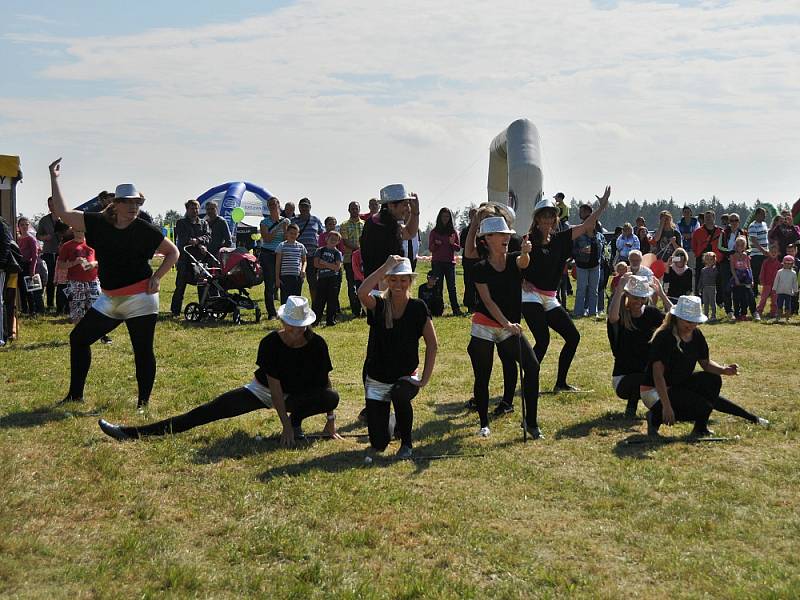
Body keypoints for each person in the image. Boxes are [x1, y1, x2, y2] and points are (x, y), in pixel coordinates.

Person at [98, 296, 342, 445]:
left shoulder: (318, 344)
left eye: (300, 326)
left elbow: (324, 382)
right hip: (264, 391)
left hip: (298, 395)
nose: (295, 330)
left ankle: (296, 420)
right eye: (290, 325)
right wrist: (284, 428)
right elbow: (275, 388)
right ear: (282, 321)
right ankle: (132, 433)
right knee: (208, 411)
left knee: (331, 397)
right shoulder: (270, 343)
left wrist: (330, 421)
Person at [48, 159, 179, 410]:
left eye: (137, 203)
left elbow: (173, 252)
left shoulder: (145, 229)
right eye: (128, 202)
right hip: (109, 299)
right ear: (115, 204)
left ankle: (143, 404)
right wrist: (55, 179)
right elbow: (64, 214)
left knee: (142, 350)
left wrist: (156, 277)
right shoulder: (97, 223)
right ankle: (75, 396)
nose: (133, 207)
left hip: (141, 298)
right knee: (78, 339)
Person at [521, 188, 610, 393]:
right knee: (543, 340)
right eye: (544, 216)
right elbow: (516, 262)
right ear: (537, 219)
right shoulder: (528, 239)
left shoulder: (561, 239)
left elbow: (588, 224)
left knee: (573, 337)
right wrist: (520, 282)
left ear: (555, 219)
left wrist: (602, 206)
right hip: (531, 295)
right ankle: (528, 383)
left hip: (550, 297)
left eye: (551, 216)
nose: (548, 220)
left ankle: (560, 383)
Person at [642, 295, 769, 437]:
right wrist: (666, 406)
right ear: (676, 317)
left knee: (713, 380)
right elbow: (657, 375)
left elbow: (706, 364)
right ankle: (655, 416)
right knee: (702, 406)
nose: (690, 325)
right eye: (687, 320)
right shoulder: (664, 337)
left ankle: (700, 427)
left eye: (694, 321)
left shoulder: (696, 335)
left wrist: (723, 370)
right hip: (654, 391)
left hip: (678, 385)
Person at [465, 215, 539, 437]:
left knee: (532, 366)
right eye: (500, 234)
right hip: (485, 325)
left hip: (509, 326)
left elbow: (523, 263)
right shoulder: (479, 267)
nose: (506, 237)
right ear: (486, 238)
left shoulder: (515, 258)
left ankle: (531, 422)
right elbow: (487, 302)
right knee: (483, 375)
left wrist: (526, 252)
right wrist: (506, 323)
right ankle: (484, 423)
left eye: (507, 234)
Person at [357, 256, 437, 459]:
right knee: (379, 443)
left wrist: (423, 380)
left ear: (410, 281)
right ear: (387, 281)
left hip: (405, 377)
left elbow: (432, 345)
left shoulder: (418, 307)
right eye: (393, 279)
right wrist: (385, 266)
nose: (398, 284)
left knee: (400, 394)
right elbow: (362, 292)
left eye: (403, 280)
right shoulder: (379, 305)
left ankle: (407, 443)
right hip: (377, 378)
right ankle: (393, 420)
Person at [607, 274, 670, 417]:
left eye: (642, 298)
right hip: (624, 379)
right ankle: (631, 408)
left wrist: (661, 294)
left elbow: (676, 319)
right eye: (635, 297)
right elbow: (612, 317)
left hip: (647, 375)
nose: (639, 301)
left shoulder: (651, 313)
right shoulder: (621, 315)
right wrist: (620, 288)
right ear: (628, 295)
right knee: (645, 378)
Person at [359, 184, 420, 283]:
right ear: (391, 205)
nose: (408, 209)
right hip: (379, 285)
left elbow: (410, 233)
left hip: (387, 283)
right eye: (404, 205)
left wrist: (415, 212)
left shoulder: (389, 222)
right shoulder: (377, 225)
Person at [170, 199, 211, 317]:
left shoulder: (204, 223)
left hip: (200, 260)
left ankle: (203, 310)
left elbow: (208, 237)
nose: (195, 211)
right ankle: (175, 311)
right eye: (192, 208)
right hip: (185, 259)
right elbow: (183, 238)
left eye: (197, 208)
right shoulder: (181, 223)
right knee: (180, 287)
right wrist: (197, 242)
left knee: (203, 286)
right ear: (187, 210)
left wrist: (198, 241)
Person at [57, 229, 104, 328]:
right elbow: (60, 265)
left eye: (81, 230)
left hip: (93, 280)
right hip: (75, 281)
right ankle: (79, 333)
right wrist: (74, 263)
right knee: (77, 309)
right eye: (77, 230)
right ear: (73, 231)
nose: (79, 233)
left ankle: (100, 333)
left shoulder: (93, 243)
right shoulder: (67, 246)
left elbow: (102, 259)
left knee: (97, 307)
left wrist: (93, 263)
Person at [259, 197, 290, 319]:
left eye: (274, 204)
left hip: (282, 253)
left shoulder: (286, 221)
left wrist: (284, 227)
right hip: (268, 255)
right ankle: (271, 313)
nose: (272, 206)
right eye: (270, 204)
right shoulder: (264, 222)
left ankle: (284, 311)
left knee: (284, 283)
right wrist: (278, 226)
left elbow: (286, 239)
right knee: (270, 284)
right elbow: (267, 239)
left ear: (278, 205)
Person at [572, 203, 604, 318]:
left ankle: (593, 312)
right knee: (581, 290)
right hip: (582, 265)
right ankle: (578, 312)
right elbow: (573, 250)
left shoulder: (599, 235)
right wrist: (581, 251)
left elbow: (602, 251)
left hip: (595, 265)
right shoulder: (578, 234)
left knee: (593, 290)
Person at [428, 207, 462, 316]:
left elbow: (458, 248)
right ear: (439, 217)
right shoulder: (434, 232)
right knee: (438, 287)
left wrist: (453, 243)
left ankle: (456, 309)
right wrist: (436, 244)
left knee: (452, 287)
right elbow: (431, 248)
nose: (445, 218)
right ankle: (438, 310)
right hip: (437, 262)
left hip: (449, 263)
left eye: (447, 216)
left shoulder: (453, 232)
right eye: (443, 216)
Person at [35, 197, 67, 313]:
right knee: (49, 280)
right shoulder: (44, 220)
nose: (51, 207)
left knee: (62, 280)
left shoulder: (65, 218)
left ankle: (62, 305)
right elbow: (38, 236)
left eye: (53, 204)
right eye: (49, 205)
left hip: (62, 253)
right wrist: (44, 237)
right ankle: (49, 304)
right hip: (48, 252)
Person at [292, 198, 324, 300]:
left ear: (310, 207)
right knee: (297, 284)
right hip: (297, 257)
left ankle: (315, 306)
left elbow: (322, 236)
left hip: (312, 257)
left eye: (306, 206)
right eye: (302, 206)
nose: (304, 208)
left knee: (313, 283)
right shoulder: (293, 221)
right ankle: (296, 307)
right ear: (299, 207)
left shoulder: (316, 220)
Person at [312, 231, 343, 326]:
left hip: (333, 279)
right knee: (319, 300)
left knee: (332, 300)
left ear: (338, 242)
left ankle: (330, 320)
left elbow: (337, 267)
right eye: (331, 238)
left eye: (335, 239)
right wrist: (331, 265)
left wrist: (324, 263)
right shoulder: (320, 250)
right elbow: (316, 264)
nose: (333, 241)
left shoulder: (337, 253)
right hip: (322, 278)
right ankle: (315, 320)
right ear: (326, 239)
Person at [718, 212, 746, 320]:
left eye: (736, 220)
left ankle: (738, 311)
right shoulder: (724, 232)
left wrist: (741, 254)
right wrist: (731, 253)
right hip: (726, 262)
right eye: (731, 220)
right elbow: (720, 247)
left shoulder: (743, 233)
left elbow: (747, 247)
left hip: (739, 264)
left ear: (739, 222)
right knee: (726, 286)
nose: (734, 223)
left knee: (738, 287)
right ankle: (729, 311)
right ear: (728, 222)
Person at [339, 202, 364, 317]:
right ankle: (355, 310)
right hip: (349, 260)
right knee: (351, 285)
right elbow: (345, 241)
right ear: (349, 210)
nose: (354, 210)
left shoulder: (364, 224)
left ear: (359, 209)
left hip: (363, 260)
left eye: (356, 208)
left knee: (364, 283)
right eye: (352, 208)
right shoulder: (344, 225)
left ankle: (365, 308)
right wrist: (359, 249)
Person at [17, 217, 46, 315]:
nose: (24, 226)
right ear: (19, 227)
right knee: (21, 289)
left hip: (29, 265)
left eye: (26, 224)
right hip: (20, 265)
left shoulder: (31, 239)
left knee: (30, 289)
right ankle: (24, 309)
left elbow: (35, 256)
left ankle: (32, 310)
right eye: (22, 225)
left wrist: (32, 270)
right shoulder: (18, 239)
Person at [692, 210, 722, 298]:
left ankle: (719, 299)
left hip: (716, 258)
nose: (708, 219)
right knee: (699, 278)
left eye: (710, 217)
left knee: (718, 279)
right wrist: (698, 254)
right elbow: (694, 245)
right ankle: (698, 298)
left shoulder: (720, 231)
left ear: (714, 218)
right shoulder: (698, 231)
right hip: (701, 258)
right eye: (706, 217)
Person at [275, 224, 307, 304]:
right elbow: (278, 263)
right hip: (284, 277)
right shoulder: (281, 246)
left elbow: (304, 261)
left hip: (297, 277)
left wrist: (303, 270)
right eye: (291, 233)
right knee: (285, 299)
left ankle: (295, 315)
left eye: (295, 233)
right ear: (287, 233)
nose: (293, 235)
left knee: (296, 300)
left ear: (298, 234)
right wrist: (277, 278)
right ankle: (285, 316)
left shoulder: (301, 246)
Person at [730, 236, 757, 321]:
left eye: (742, 245)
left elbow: (749, 268)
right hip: (737, 276)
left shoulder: (746, 256)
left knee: (746, 296)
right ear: (735, 246)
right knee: (737, 296)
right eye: (738, 245)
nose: (740, 247)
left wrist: (752, 279)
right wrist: (736, 279)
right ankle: (736, 313)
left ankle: (744, 313)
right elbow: (732, 269)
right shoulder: (733, 256)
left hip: (746, 277)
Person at [748, 207, 769, 297]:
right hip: (756, 254)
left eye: (765, 214)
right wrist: (763, 250)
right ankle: (754, 292)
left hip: (765, 253)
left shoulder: (764, 224)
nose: (764, 216)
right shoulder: (752, 226)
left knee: (765, 273)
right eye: (762, 214)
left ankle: (766, 291)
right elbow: (754, 241)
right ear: (757, 215)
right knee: (756, 274)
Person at [460, 207, 478, 312]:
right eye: (472, 215)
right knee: (468, 283)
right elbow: (462, 244)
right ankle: (470, 305)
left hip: (478, 261)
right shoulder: (466, 230)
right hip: (468, 262)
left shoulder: (481, 229)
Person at [756, 245, 780, 320]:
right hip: (767, 283)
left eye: (775, 252)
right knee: (763, 298)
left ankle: (773, 312)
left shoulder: (779, 264)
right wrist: (762, 280)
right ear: (768, 252)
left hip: (775, 284)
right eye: (772, 252)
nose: (773, 253)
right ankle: (759, 311)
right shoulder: (765, 262)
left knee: (774, 299)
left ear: (778, 253)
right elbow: (762, 271)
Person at [773, 255, 798, 323]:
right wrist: (774, 288)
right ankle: (778, 317)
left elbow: (795, 283)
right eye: (786, 263)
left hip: (788, 292)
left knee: (788, 306)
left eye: (789, 263)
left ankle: (787, 318)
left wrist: (795, 290)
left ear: (792, 264)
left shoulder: (793, 273)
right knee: (779, 305)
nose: (787, 265)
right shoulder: (780, 272)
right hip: (780, 291)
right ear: (783, 263)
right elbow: (776, 280)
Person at [677, 206, 699, 272]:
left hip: (692, 249)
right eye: (685, 212)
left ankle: (692, 282)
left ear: (691, 213)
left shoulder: (696, 222)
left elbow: (696, 234)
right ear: (683, 213)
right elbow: (678, 234)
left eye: (688, 212)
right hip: (682, 250)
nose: (686, 213)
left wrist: (687, 235)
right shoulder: (679, 223)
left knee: (692, 268)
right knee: (681, 268)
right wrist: (689, 235)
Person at [699, 252, 719, 321]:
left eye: (711, 260)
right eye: (707, 259)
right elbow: (701, 279)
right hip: (705, 288)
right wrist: (700, 288)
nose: (709, 261)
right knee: (705, 302)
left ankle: (713, 315)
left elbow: (713, 276)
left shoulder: (715, 269)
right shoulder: (703, 270)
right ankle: (705, 315)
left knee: (712, 302)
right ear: (705, 260)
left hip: (712, 287)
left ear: (714, 261)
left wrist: (711, 268)